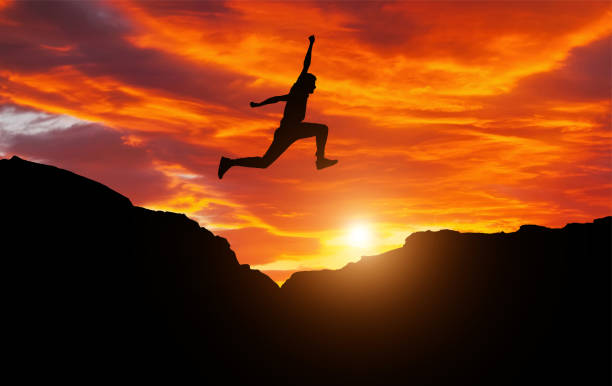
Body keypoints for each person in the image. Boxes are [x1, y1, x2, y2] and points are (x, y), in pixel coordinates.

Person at [218, 35, 337, 179]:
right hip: (289, 130)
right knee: (322, 129)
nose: (315, 87)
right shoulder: (298, 91)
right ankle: (320, 160)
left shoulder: (302, 93)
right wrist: (259, 104)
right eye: (313, 84)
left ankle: (229, 162)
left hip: (291, 131)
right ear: (306, 83)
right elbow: (303, 68)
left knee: (264, 163)